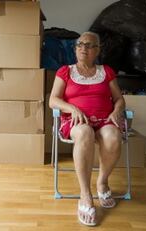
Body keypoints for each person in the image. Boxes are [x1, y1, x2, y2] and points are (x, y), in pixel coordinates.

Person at [49, 31, 126, 226]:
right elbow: (53, 100)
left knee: (113, 136)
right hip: (76, 122)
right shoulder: (65, 71)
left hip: (104, 120)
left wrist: (116, 111)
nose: (83, 48)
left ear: (97, 50)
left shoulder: (106, 71)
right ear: (75, 49)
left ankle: (102, 181)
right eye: (80, 44)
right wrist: (72, 108)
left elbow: (119, 99)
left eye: (89, 45)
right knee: (85, 132)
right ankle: (85, 194)